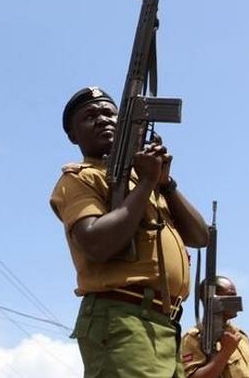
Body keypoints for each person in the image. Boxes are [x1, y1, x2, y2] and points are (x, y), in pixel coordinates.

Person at [49, 86, 209, 377]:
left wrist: (165, 183)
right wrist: (147, 182)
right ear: (73, 136)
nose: (102, 119)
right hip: (122, 316)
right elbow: (97, 244)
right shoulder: (80, 178)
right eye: (90, 116)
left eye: (110, 113)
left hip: (166, 323)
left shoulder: (143, 180)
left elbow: (200, 237)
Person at [180, 276, 249, 378]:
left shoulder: (241, 336)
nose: (236, 300)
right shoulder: (194, 338)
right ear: (213, 300)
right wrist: (225, 352)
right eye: (231, 296)